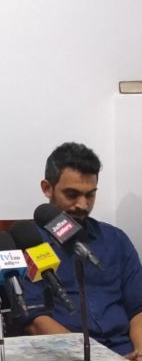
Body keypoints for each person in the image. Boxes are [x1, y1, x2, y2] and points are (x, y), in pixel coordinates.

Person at [22, 142, 142, 358]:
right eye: (72, 194)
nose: (83, 205)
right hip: (66, 354)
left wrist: (140, 352)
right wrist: (97, 357)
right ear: (47, 188)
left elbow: (138, 308)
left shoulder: (115, 240)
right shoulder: (29, 242)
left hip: (125, 350)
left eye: (90, 195)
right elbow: (35, 321)